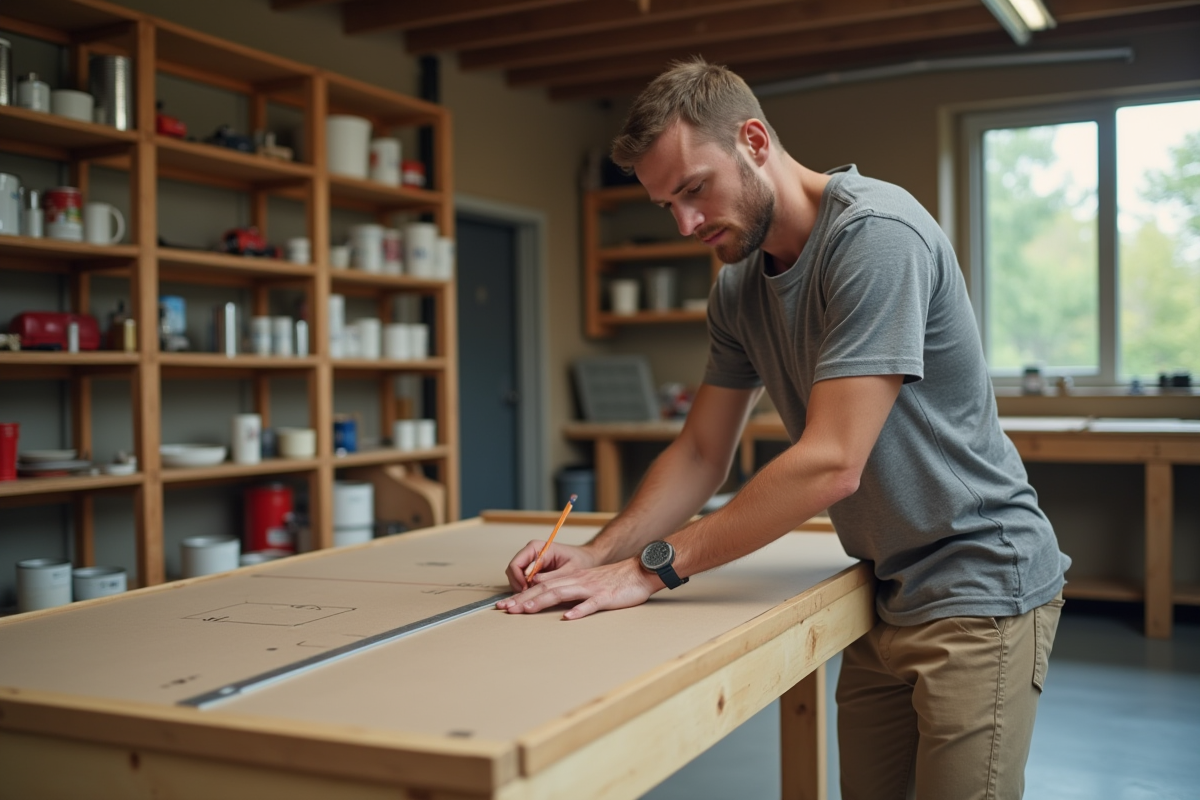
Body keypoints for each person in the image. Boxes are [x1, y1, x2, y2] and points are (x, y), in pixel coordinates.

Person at [497, 57, 1070, 800]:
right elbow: (702, 451)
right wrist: (599, 552)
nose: (686, 224)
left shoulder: (876, 236)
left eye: (695, 190)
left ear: (756, 142)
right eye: (667, 205)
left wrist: (651, 568)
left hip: (980, 584)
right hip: (886, 590)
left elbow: (833, 462)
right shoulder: (738, 290)